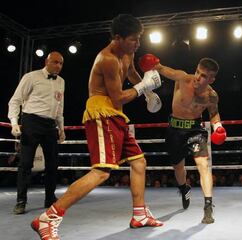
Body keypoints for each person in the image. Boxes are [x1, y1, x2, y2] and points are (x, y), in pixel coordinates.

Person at [31, 14, 163, 240]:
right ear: (118, 38)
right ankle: (48, 218)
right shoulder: (107, 59)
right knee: (102, 171)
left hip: (116, 115)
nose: (138, 44)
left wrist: (148, 92)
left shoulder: (128, 52)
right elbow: (118, 97)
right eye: (134, 39)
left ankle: (139, 214)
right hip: (101, 112)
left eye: (139, 39)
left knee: (139, 161)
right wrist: (144, 87)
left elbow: (131, 73)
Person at [139, 54, 227, 224]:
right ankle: (184, 188)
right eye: (197, 72)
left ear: (211, 79)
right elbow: (163, 69)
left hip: (195, 130)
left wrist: (218, 127)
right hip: (174, 130)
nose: (197, 78)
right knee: (178, 167)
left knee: (203, 165)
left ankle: (208, 206)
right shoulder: (182, 78)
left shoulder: (212, 96)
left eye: (203, 76)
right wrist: (153, 64)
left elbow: (214, 114)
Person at [8, 51, 66, 215]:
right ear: (47, 61)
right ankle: (21, 201)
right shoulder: (31, 77)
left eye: (61, 63)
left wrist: (61, 128)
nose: (58, 66)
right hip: (31, 121)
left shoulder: (61, 81)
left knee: (52, 164)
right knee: (25, 164)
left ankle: (49, 198)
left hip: (50, 125)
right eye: (55, 62)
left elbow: (59, 107)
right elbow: (15, 100)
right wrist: (14, 122)